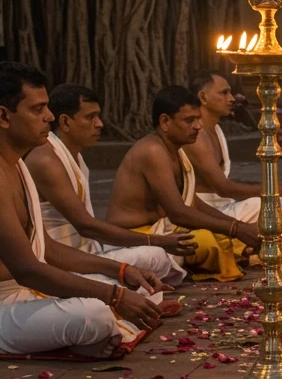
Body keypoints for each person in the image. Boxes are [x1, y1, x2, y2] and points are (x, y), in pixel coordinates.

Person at [0, 63, 167, 357]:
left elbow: (45, 248)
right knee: (94, 314)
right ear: (4, 116)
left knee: (127, 289)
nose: (49, 117)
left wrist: (122, 272)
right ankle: (90, 334)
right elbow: (27, 270)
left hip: (22, 297)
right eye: (38, 109)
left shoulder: (15, 162)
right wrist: (115, 296)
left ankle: (89, 333)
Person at [27, 83, 195, 294]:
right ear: (65, 122)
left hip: (89, 253)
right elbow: (87, 227)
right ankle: (126, 290)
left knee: (157, 257)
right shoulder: (46, 159)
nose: (99, 124)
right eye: (91, 117)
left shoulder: (74, 155)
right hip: (62, 264)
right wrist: (157, 239)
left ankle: (132, 289)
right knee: (151, 258)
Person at [106, 86, 261, 282]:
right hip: (134, 240)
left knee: (218, 236)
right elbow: (179, 213)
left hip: (164, 231)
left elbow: (192, 203)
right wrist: (236, 229)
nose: (198, 126)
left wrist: (235, 226)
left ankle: (229, 253)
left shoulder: (177, 150)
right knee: (204, 241)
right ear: (165, 122)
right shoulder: (153, 150)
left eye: (198, 119)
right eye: (189, 120)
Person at [184, 70, 282, 239]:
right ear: (203, 97)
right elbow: (223, 188)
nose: (231, 99)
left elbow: (227, 184)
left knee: (281, 200)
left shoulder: (215, 128)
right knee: (267, 204)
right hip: (207, 211)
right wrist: (276, 190)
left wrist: (277, 187)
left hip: (224, 205)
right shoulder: (197, 136)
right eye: (224, 93)